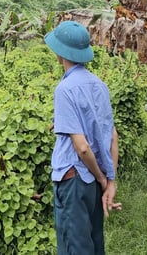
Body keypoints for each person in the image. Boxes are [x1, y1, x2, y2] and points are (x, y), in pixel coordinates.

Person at [44, 20, 121, 255]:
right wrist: (110, 181)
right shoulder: (99, 85)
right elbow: (112, 136)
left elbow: (82, 147)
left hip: (74, 180)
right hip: (93, 184)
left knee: (74, 247)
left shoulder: (64, 90)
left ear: (60, 53)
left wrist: (99, 177)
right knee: (94, 243)